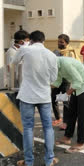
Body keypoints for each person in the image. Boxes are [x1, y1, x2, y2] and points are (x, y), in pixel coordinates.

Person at [13, 31, 59, 166]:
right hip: (44, 96)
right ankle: (49, 160)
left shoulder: (25, 49)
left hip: (27, 95)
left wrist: (24, 46)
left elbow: (14, 61)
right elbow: (54, 78)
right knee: (48, 128)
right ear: (43, 40)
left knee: (28, 128)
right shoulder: (51, 55)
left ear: (31, 40)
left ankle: (28, 162)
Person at [51, 34, 78, 130]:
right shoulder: (55, 52)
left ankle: (66, 122)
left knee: (65, 101)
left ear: (67, 43)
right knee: (53, 98)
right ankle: (58, 118)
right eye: (58, 41)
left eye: (61, 42)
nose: (59, 43)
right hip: (56, 79)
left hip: (66, 80)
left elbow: (73, 66)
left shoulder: (70, 52)